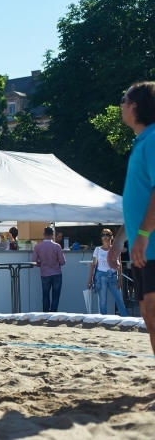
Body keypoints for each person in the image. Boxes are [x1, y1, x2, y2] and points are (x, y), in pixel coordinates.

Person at [108, 81, 155, 361]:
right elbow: (135, 205)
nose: (121, 105)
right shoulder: (141, 142)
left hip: (150, 246)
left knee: (151, 309)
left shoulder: (153, 139)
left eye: (124, 100)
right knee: (148, 314)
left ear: (135, 106)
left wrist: (143, 234)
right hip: (142, 248)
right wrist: (117, 243)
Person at [87, 229, 128, 316]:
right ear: (101, 237)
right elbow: (93, 265)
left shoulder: (115, 249)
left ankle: (126, 319)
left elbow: (119, 264)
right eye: (103, 235)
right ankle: (104, 321)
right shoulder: (97, 249)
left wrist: (120, 279)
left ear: (111, 237)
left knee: (119, 300)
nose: (105, 237)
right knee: (102, 301)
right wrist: (89, 280)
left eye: (107, 235)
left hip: (113, 276)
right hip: (101, 277)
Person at [32, 226, 66, 312]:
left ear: (44, 234)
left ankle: (45, 314)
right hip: (56, 273)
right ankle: (53, 314)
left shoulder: (38, 247)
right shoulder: (57, 246)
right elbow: (62, 262)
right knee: (56, 296)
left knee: (45, 295)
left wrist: (42, 264)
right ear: (53, 235)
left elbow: (34, 262)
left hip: (44, 273)